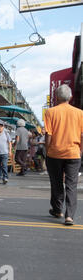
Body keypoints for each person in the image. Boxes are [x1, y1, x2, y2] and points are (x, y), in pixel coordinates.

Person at [44, 84, 83, 226]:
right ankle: (69, 216)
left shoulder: (50, 112)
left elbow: (48, 135)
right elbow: (82, 135)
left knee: (56, 183)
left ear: (57, 97)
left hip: (55, 153)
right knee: (71, 185)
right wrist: (80, 150)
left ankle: (57, 209)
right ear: (70, 97)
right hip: (73, 153)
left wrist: (47, 151)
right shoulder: (80, 113)